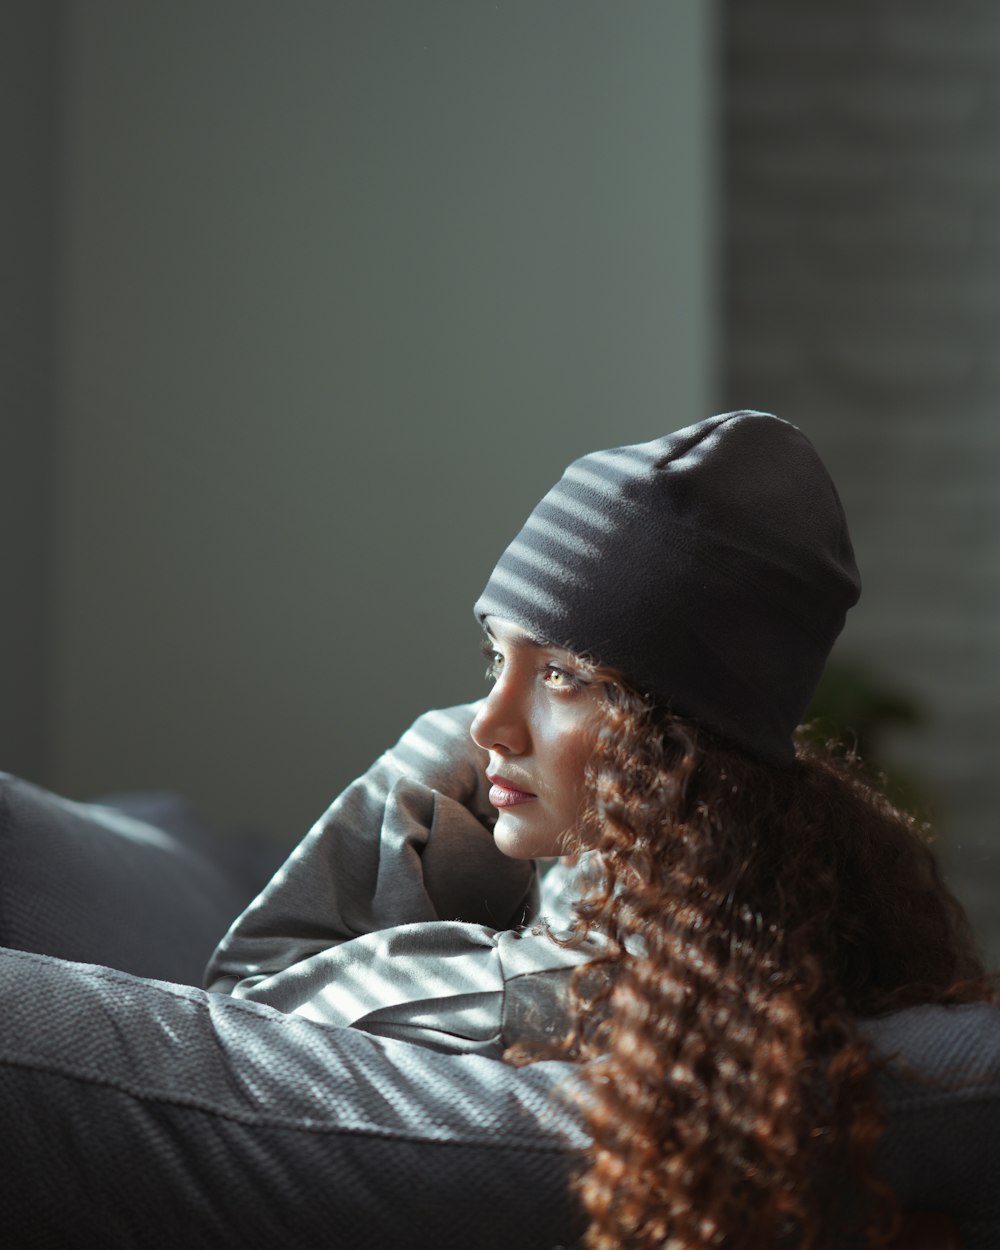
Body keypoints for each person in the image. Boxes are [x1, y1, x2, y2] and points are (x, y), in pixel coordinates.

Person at [204, 411, 996, 1249]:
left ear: (679, 740)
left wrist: (426, 777)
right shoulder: (684, 873)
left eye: (560, 675)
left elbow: (245, 1023)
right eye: (493, 659)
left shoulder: (627, 986)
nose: (487, 723)